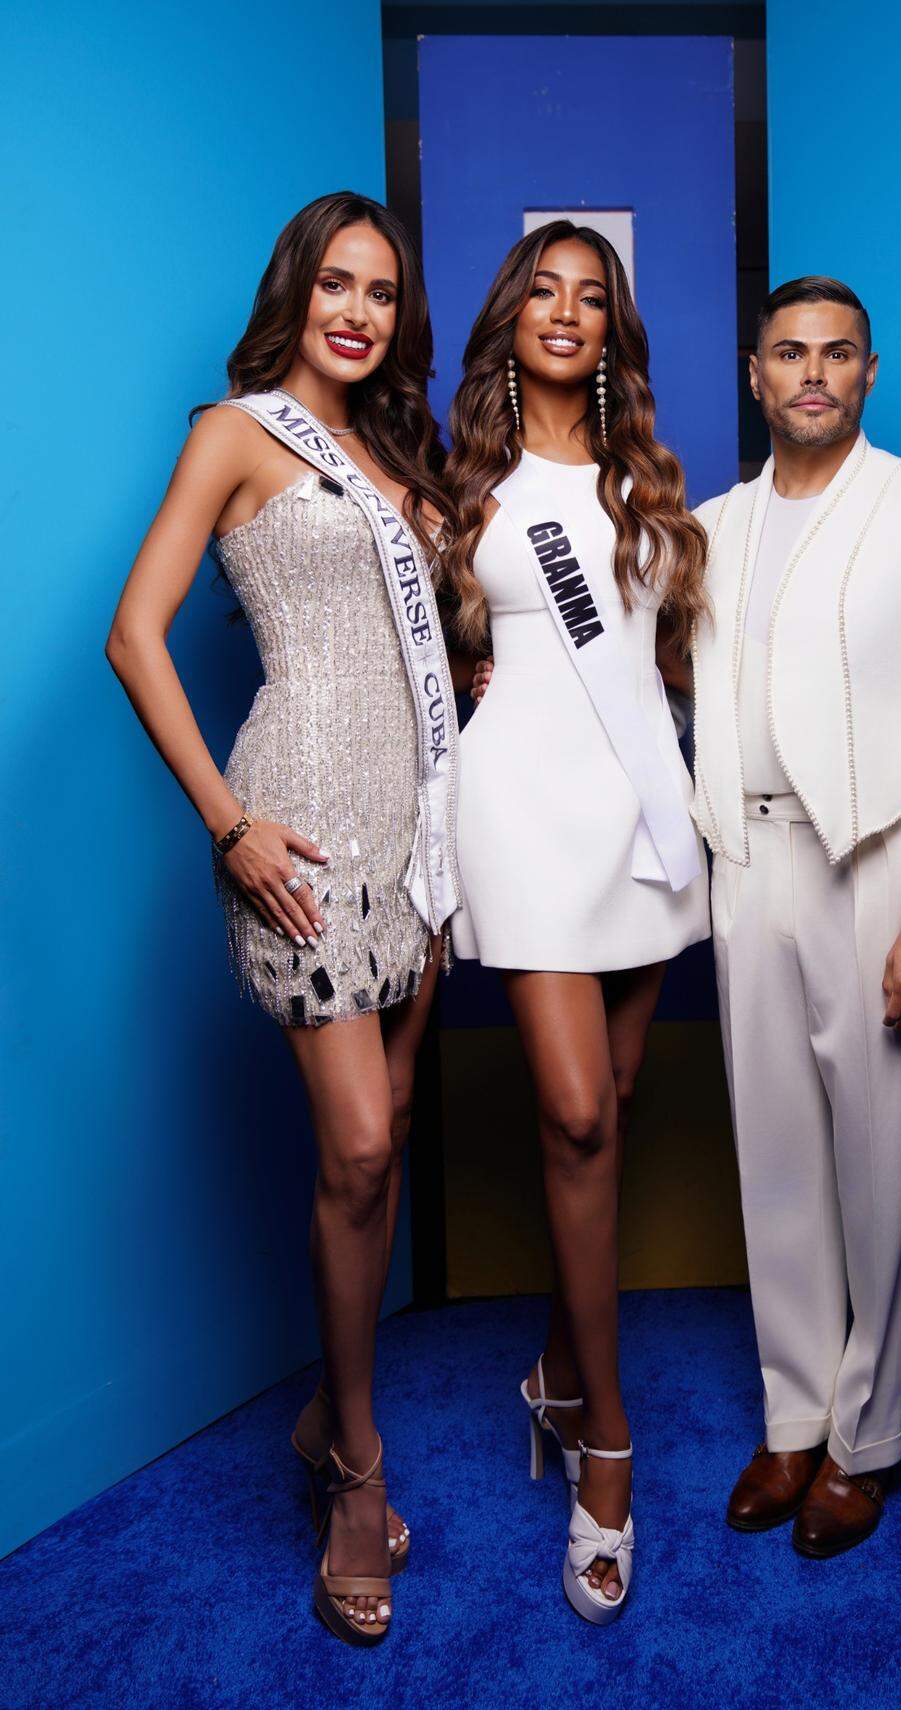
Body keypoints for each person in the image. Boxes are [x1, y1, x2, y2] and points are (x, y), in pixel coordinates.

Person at [105, 191, 463, 1643]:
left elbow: (424, 643)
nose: (357, 312)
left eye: (380, 292)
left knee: (379, 1155)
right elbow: (136, 633)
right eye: (336, 283)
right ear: (295, 292)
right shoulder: (237, 432)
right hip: (299, 819)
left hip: (411, 829)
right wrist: (230, 822)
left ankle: (326, 1411)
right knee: (361, 1141)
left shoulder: (395, 453)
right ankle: (359, 1478)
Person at [691, 277, 901, 1557]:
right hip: (748, 863)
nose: (810, 374)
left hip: (882, 866)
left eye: (834, 354)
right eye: (787, 354)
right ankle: (791, 1417)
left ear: (868, 372)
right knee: (774, 1163)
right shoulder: (711, 527)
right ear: (756, 376)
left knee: (880, 1165)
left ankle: (864, 1440)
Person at [443, 221, 709, 1621]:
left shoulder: (649, 484)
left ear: (613, 333)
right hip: (523, 822)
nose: (564, 312)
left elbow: (667, 664)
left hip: (639, 826)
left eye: (589, 296)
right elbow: (428, 650)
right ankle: (607, 1444)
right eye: (541, 291)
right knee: (578, 1114)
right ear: (512, 317)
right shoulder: (463, 479)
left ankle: (553, 1366)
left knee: (614, 1093)